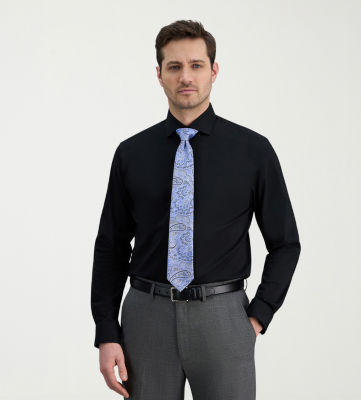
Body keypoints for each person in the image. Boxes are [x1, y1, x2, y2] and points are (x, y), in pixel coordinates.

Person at [90, 19, 301, 400]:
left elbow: (285, 242)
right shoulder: (131, 154)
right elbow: (111, 246)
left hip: (224, 318)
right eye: (174, 66)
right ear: (159, 75)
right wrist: (106, 331)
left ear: (214, 71)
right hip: (145, 318)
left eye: (196, 65)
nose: (185, 77)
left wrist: (258, 315)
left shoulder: (253, 151)